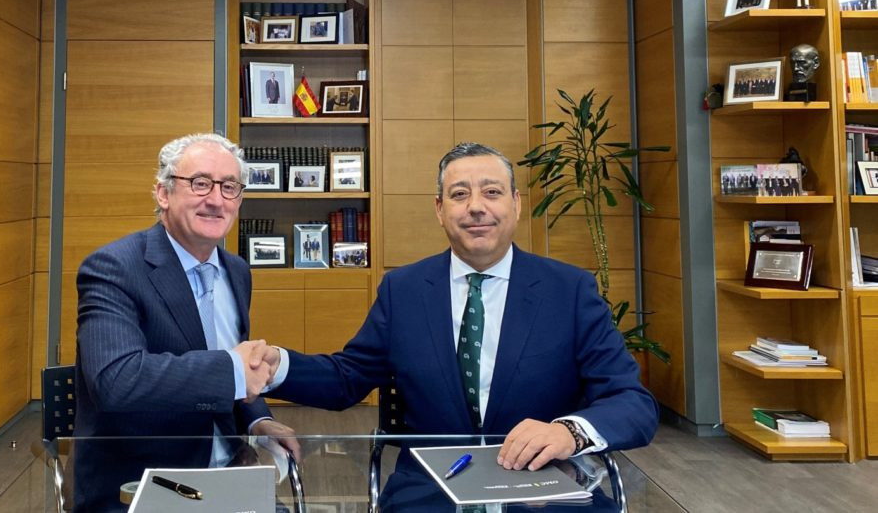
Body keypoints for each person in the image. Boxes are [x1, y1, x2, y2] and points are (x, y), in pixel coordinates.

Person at [258, 142, 658, 509]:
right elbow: (349, 377)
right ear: (439, 209)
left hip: (544, 486)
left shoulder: (569, 290)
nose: (476, 207)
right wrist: (277, 365)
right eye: (460, 194)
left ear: (516, 204)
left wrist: (569, 432)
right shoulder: (405, 289)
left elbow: (633, 403)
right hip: (433, 488)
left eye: (492, 192)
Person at [71, 133, 298, 512]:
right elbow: (116, 381)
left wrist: (258, 419)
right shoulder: (114, 268)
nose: (215, 200)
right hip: (142, 483)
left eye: (229, 187)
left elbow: (230, 370)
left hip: (230, 475)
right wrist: (232, 370)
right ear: (163, 194)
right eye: (200, 183)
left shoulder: (237, 271)